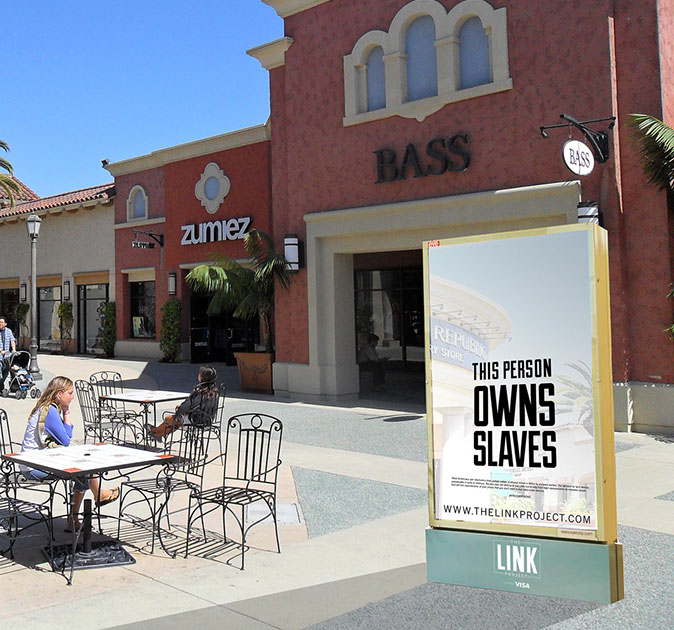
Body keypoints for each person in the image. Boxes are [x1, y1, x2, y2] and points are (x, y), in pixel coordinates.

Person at [20, 376, 119, 532]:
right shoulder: (50, 411)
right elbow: (66, 440)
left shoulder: (49, 407)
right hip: (33, 466)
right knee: (84, 468)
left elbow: (65, 436)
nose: (72, 397)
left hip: (35, 461)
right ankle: (94, 499)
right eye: (70, 393)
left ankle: (78, 515)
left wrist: (65, 411)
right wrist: (67, 412)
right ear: (59, 394)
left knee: (84, 469)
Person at [146, 365, 219, 442]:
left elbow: (187, 405)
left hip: (195, 421)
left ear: (202, 377)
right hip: (208, 421)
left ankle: (155, 431)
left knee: (170, 419)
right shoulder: (215, 391)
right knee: (176, 420)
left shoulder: (199, 391)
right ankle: (157, 434)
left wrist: (179, 409)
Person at [0, 316, 17, 387]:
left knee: (7, 371)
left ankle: (12, 385)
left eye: (1, 322)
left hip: (7, 355)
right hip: (0, 355)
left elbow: (12, 340)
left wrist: (14, 349)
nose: (0, 323)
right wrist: (0, 350)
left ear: (5, 324)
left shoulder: (8, 331)